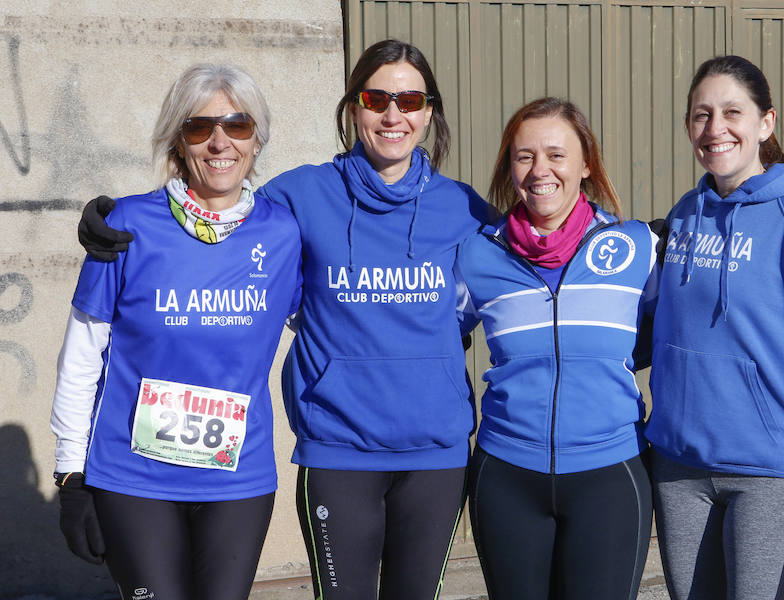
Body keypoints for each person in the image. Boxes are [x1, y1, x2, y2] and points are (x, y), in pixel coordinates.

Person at [76, 39, 491, 600]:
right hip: (336, 448)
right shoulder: (298, 196)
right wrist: (115, 220)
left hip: (434, 451)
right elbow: (215, 208)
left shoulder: (464, 208)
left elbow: (537, 247)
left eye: (410, 99)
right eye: (376, 97)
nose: (393, 114)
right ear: (353, 108)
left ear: (429, 111)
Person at [50, 63, 303, 600]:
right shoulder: (124, 228)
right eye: (199, 127)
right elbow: (81, 356)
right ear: (177, 140)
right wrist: (71, 475)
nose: (219, 142)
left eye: (237, 126)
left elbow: (336, 319)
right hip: (133, 478)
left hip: (236, 479)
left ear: (257, 140)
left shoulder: (284, 233)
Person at [646, 55, 784, 600]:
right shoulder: (684, 216)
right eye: (702, 115)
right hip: (679, 469)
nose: (715, 129)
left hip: (769, 476)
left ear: (765, 123)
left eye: (732, 112)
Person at [455, 97, 658, 600]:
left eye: (556, 154)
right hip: (506, 475)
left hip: (609, 475)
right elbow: (428, 340)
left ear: (586, 164)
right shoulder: (477, 254)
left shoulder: (637, 249)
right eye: (524, 157)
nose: (539, 170)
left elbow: (683, 337)